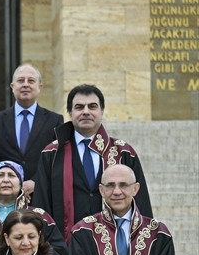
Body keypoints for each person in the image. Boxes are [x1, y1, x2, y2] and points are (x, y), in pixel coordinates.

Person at [33, 84, 154, 245]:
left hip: (116, 249)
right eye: (79, 107)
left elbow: (141, 204)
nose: (86, 112)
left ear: (102, 112)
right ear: (70, 113)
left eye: (92, 106)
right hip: (66, 250)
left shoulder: (123, 152)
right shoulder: (52, 154)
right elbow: (42, 207)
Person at [0, 64, 63, 192]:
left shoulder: (54, 120)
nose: (25, 84)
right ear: (12, 87)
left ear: (39, 87)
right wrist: (9, 181)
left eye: (31, 81)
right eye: (20, 80)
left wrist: (36, 181)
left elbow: (58, 158)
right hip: (6, 195)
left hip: (42, 193)